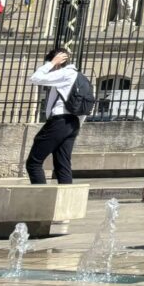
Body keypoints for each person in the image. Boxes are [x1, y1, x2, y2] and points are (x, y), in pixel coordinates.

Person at [26, 46, 82, 185]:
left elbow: (35, 78)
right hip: (73, 123)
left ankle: (41, 201)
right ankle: (67, 205)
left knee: (34, 163)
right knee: (62, 165)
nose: (49, 69)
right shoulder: (80, 76)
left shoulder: (64, 73)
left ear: (58, 61)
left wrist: (52, 63)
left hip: (59, 121)